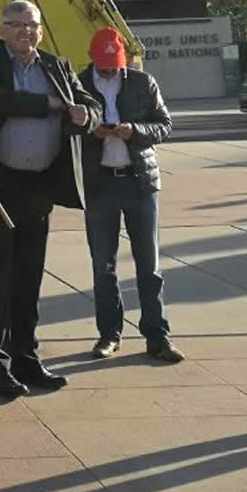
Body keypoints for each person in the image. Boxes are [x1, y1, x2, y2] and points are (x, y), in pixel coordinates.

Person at [0, 0, 102, 397]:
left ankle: (26, 357)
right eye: (17, 24)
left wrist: (86, 116)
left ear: (41, 30)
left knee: (28, 279)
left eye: (32, 25)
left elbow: (90, 105)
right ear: (2, 29)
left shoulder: (55, 66)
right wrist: (52, 105)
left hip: (39, 187)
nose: (25, 31)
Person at [78, 27, 185, 363]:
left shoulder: (142, 82)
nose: (110, 70)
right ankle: (109, 334)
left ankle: (157, 335)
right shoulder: (78, 84)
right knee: (103, 265)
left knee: (148, 264)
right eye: (104, 65)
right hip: (99, 184)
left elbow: (164, 125)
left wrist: (134, 130)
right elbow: (65, 129)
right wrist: (90, 130)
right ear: (91, 58)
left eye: (115, 65)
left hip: (139, 182)